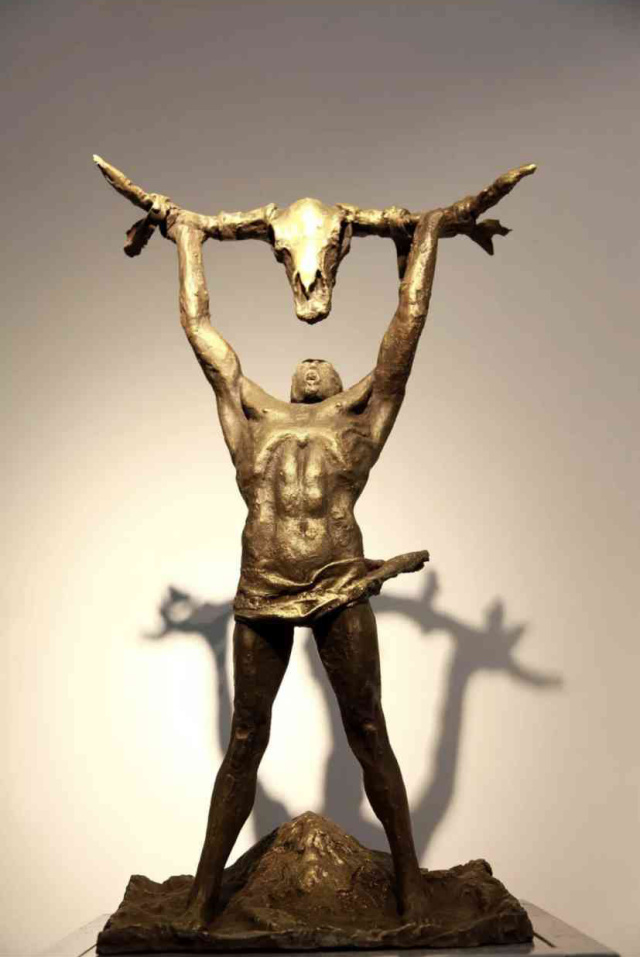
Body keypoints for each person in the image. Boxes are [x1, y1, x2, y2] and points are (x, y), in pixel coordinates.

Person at [164, 203, 450, 923]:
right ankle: (201, 893)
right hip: (263, 586)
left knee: (368, 729)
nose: (313, 361)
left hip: (337, 583)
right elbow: (200, 330)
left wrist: (428, 235)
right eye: (304, 362)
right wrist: (187, 238)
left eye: (327, 363)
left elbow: (406, 330)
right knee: (244, 737)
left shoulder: (360, 426)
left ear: (349, 389)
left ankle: (410, 880)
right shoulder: (251, 418)